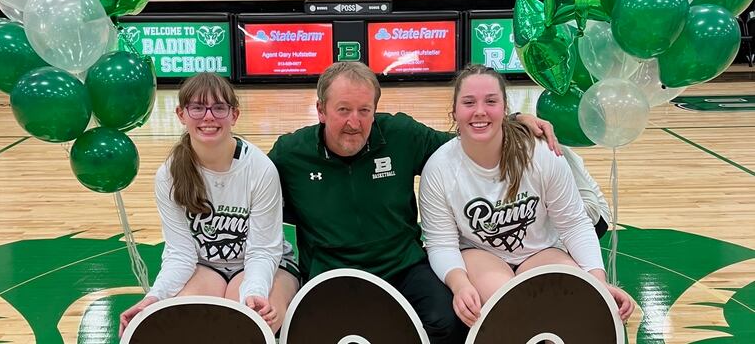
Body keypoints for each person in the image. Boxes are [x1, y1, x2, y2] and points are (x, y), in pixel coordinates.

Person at [268, 62, 559, 344]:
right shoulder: (290, 154)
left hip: (402, 265)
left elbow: (466, 141)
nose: (353, 122)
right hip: (330, 272)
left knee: (450, 320)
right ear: (321, 110)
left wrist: (514, 120)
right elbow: (255, 197)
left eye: (364, 111)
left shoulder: (401, 135)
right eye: (343, 110)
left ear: (374, 111)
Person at [418, 64, 634, 328]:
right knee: (511, 309)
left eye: (491, 101)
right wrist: (460, 284)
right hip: (480, 253)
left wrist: (597, 281)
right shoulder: (439, 168)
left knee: (576, 305)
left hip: (542, 251)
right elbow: (441, 244)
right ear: (454, 111)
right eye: (469, 102)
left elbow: (574, 224)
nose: (480, 111)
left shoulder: (540, 154)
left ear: (505, 109)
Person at [119, 73, 299, 336]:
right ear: (181, 114)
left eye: (219, 107)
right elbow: (180, 254)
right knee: (183, 324)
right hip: (205, 267)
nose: (208, 117)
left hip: (266, 264)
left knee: (250, 321)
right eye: (197, 107)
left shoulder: (260, 169)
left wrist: (254, 293)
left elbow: (263, 250)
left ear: (234, 115)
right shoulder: (169, 174)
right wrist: (155, 298)